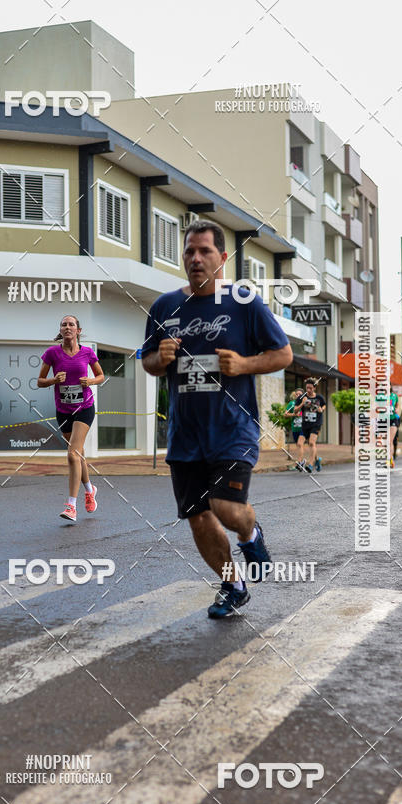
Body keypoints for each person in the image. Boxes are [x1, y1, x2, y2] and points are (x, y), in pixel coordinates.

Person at [142, 220, 292, 619]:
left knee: (225, 506)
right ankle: (233, 585)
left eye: (205, 251)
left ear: (222, 258)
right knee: (197, 516)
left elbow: (283, 355)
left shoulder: (244, 302)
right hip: (185, 434)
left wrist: (243, 364)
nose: (195, 258)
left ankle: (250, 533)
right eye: (189, 250)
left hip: (232, 428)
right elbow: (147, 362)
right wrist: (162, 358)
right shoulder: (164, 307)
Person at [38, 315, 105, 521]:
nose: (67, 327)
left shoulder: (87, 352)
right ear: (61, 330)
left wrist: (90, 381)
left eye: (71, 324)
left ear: (78, 330)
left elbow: (101, 376)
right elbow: (40, 381)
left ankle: (71, 506)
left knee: (72, 454)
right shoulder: (52, 353)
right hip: (64, 410)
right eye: (64, 324)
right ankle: (89, 489)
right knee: (79, 454)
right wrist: (53, 380)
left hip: (84, 408)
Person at [294, 378, 326, 472]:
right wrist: (302, 403)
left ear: (314, 388)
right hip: (305, 424)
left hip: (316, 424)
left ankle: (310, 465)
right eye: (307, 388)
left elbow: (324, 405)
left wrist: (322, 409)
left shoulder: (319, 397)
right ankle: (301, 462)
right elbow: (295, 410)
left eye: (310, 388)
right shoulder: (301, 397)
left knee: (311, 443)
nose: (308, 390)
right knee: (300, 443)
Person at [284, 388, 304, 469]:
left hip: (304, 428)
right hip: (295, 428)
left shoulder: (305, 403)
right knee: (299, 445)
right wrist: (294, 415)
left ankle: (299, 462)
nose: (298, 395)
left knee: (300, 444)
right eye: (297, 394)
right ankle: (316, 458)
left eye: (300, 394)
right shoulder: (292, 403)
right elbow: (285, 414)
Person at [389, 387, 400, 468]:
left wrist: (397, 409)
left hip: (393, 419)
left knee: (390, 441)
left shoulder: (394, 396)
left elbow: (397, 405)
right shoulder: (379, 396)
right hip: (383, 419)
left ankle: (390, 459)